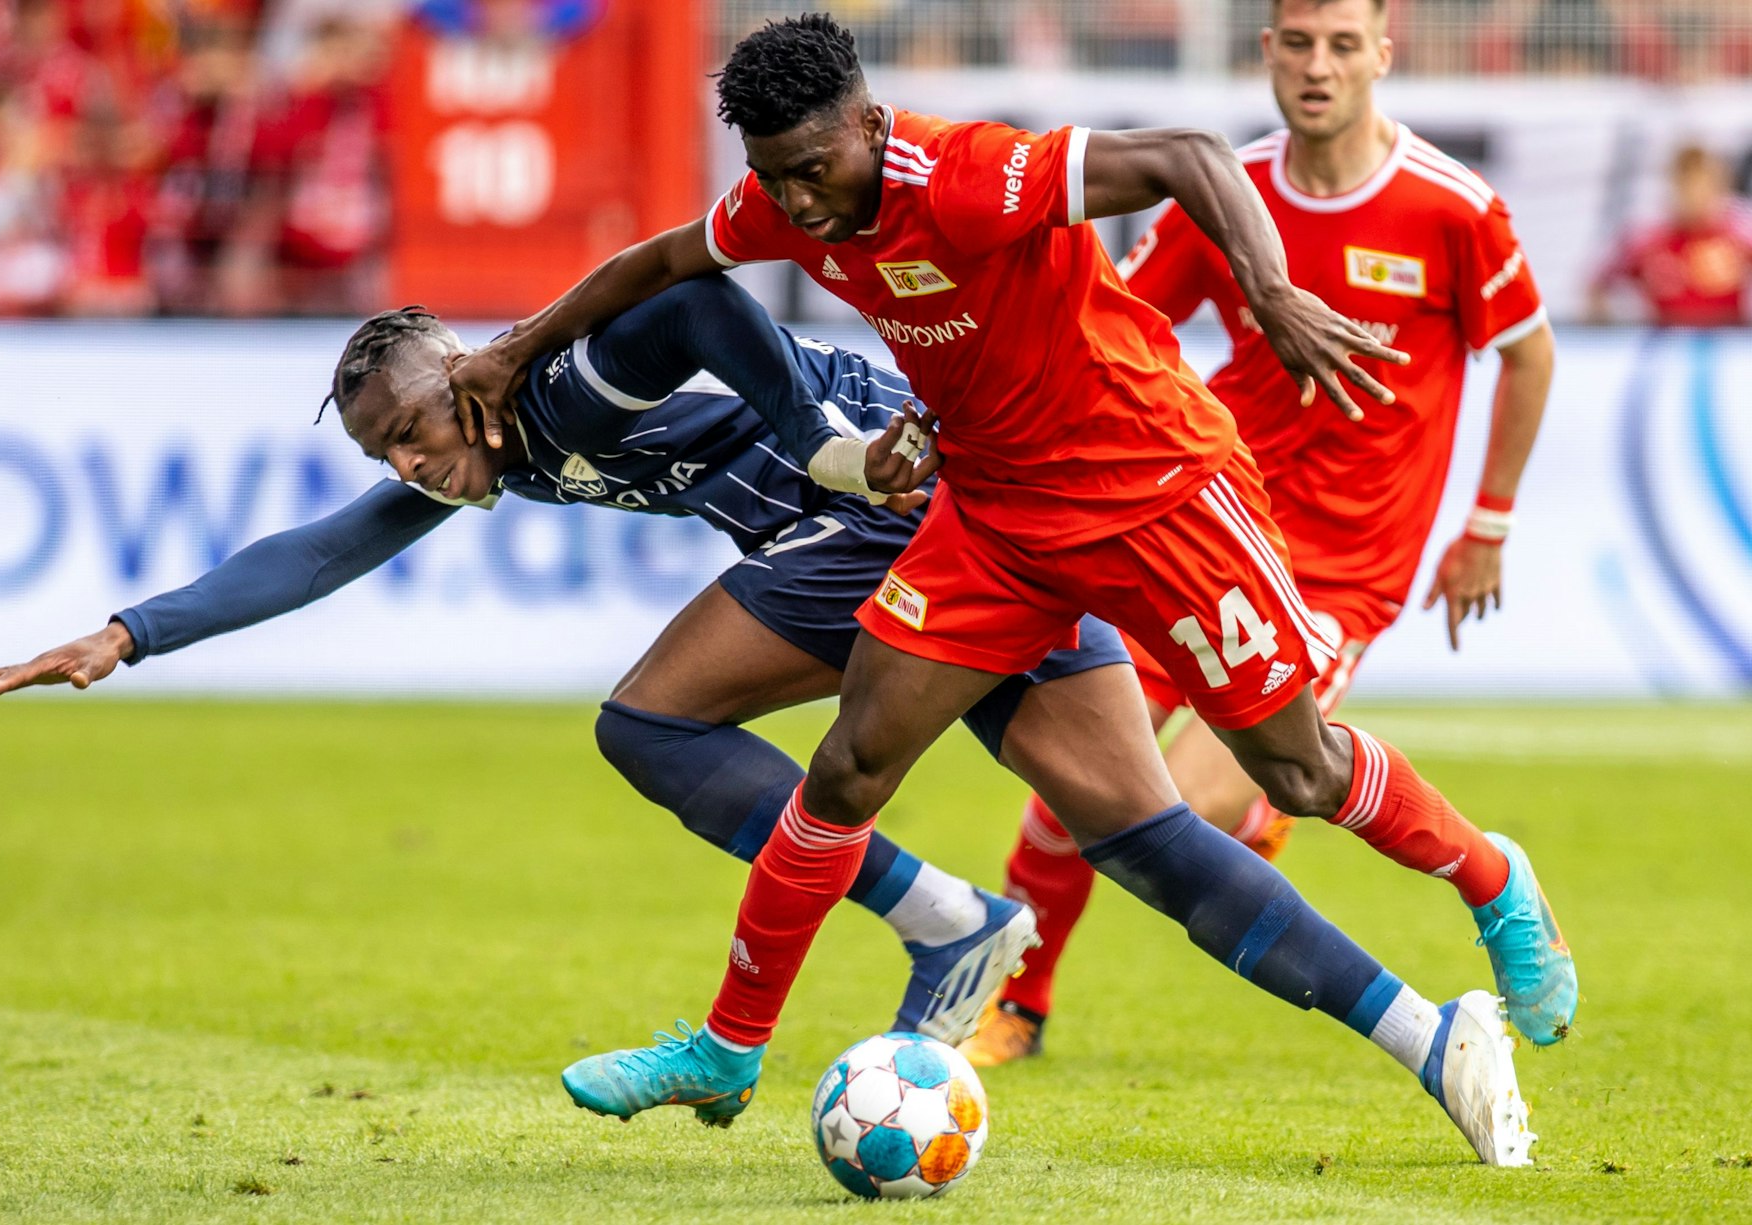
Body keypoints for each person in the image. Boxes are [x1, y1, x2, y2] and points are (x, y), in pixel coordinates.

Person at [449, 13, 1555, 1165]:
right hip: (992, 520)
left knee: (1296, 769)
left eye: (816, 171)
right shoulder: (784, 197)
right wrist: (513, 349)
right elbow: (665, 261)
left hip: (1156, 493)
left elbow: (1191, 156)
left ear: (869, 125)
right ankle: (726, 1049)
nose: (802, 205)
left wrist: (1266, 293)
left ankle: (1487, 888)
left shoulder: (972, 175)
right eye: (775, 179)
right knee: (848, 764)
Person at [0, 273, 1151, 1045]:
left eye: (414, 433)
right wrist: (129, 634)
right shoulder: (490, 441)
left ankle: (942, 917)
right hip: (904, 531)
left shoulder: (562, 383)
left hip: (889, 512)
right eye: (388, 454)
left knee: (649, 721)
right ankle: (978, 925)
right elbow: (324, 552)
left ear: (465, 372)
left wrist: (817, 446)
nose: (408, 468)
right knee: (1141, 828)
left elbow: (698, 300)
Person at [963, 0, 1563, 1070]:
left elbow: (1526, 354)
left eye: (1341, 44)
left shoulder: (1451, 209)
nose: (1317, 66)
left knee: (1171, 808)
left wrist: (1487, 523)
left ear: (1383, 53)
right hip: (1193, 524)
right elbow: (1115, 326)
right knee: (1073, 778)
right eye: (1297, 43)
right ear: (1268, 54)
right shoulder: (1217, 194)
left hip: (1340, 568)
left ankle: (1487, 873)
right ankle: (1020, 1002)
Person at [1589, 144, 1752, 328]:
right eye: (1688, 185)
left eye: (1704, 185)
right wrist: (1607, 329)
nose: (1696, 196)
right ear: (1674, 184)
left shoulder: (1741, 233)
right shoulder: (1645, 239)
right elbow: (1598, 284)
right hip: (1664, 342)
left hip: (1731, 344)